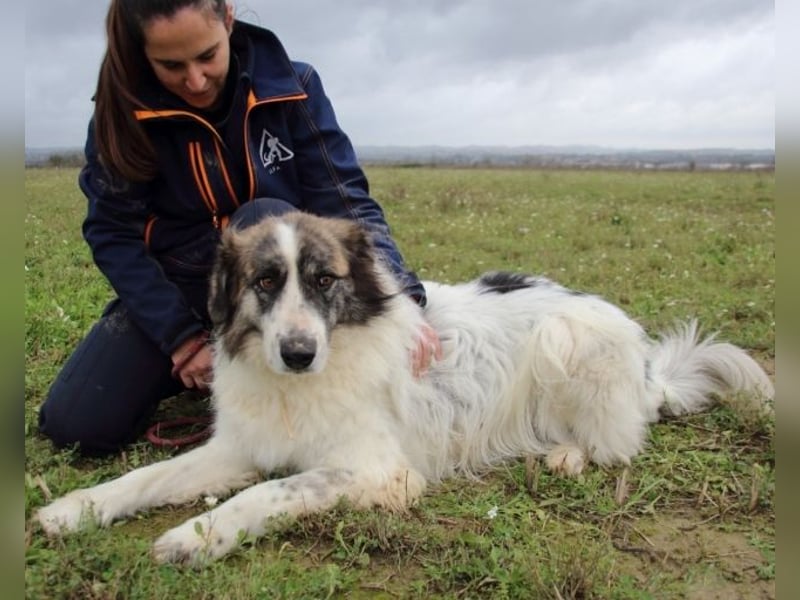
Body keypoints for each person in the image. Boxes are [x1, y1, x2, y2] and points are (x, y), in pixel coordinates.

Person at [38, 0, 441, 455]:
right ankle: (205, 366)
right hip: (179, 289)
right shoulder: (120, 115)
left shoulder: (296, 87)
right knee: (76, 426)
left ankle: (258, 371)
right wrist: (180, 338)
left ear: (228, 17)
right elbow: (113, 234)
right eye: (171, 65)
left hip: (277, 283)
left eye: (207, 55)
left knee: (264, 217)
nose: (195, 80)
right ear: (141, 52)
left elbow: (346, 202)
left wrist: (404, 301)